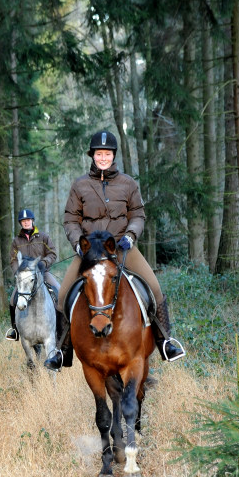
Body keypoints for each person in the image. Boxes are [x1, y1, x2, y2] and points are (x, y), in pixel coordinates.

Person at [44, 130, 186, 371]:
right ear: (92, 156)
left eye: (107, 154)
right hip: (89, 252)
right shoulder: (80, 185)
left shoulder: (128, 183)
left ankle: (165, 341)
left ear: (113, 156)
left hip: (121, 248)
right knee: (63, 294)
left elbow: (138, 215)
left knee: (154, 287)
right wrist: (79, 243)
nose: (103, 158)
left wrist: (130, 236)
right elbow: (70, 219)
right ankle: (61, 350)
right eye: (99, 154)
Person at [6, 209, 60, 341]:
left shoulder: (43, 237)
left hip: (43, 273)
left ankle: (61, 326)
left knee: (59, 292)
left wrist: (43, 263)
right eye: (23, 221)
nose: (26, 223)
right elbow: (13, 259)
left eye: (28, 220)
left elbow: (52, 253)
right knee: (13, 300)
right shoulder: (16, 241)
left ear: (32, 221)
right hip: (24, 278)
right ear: (21, 223)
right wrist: (18, 272)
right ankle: (15, 330)